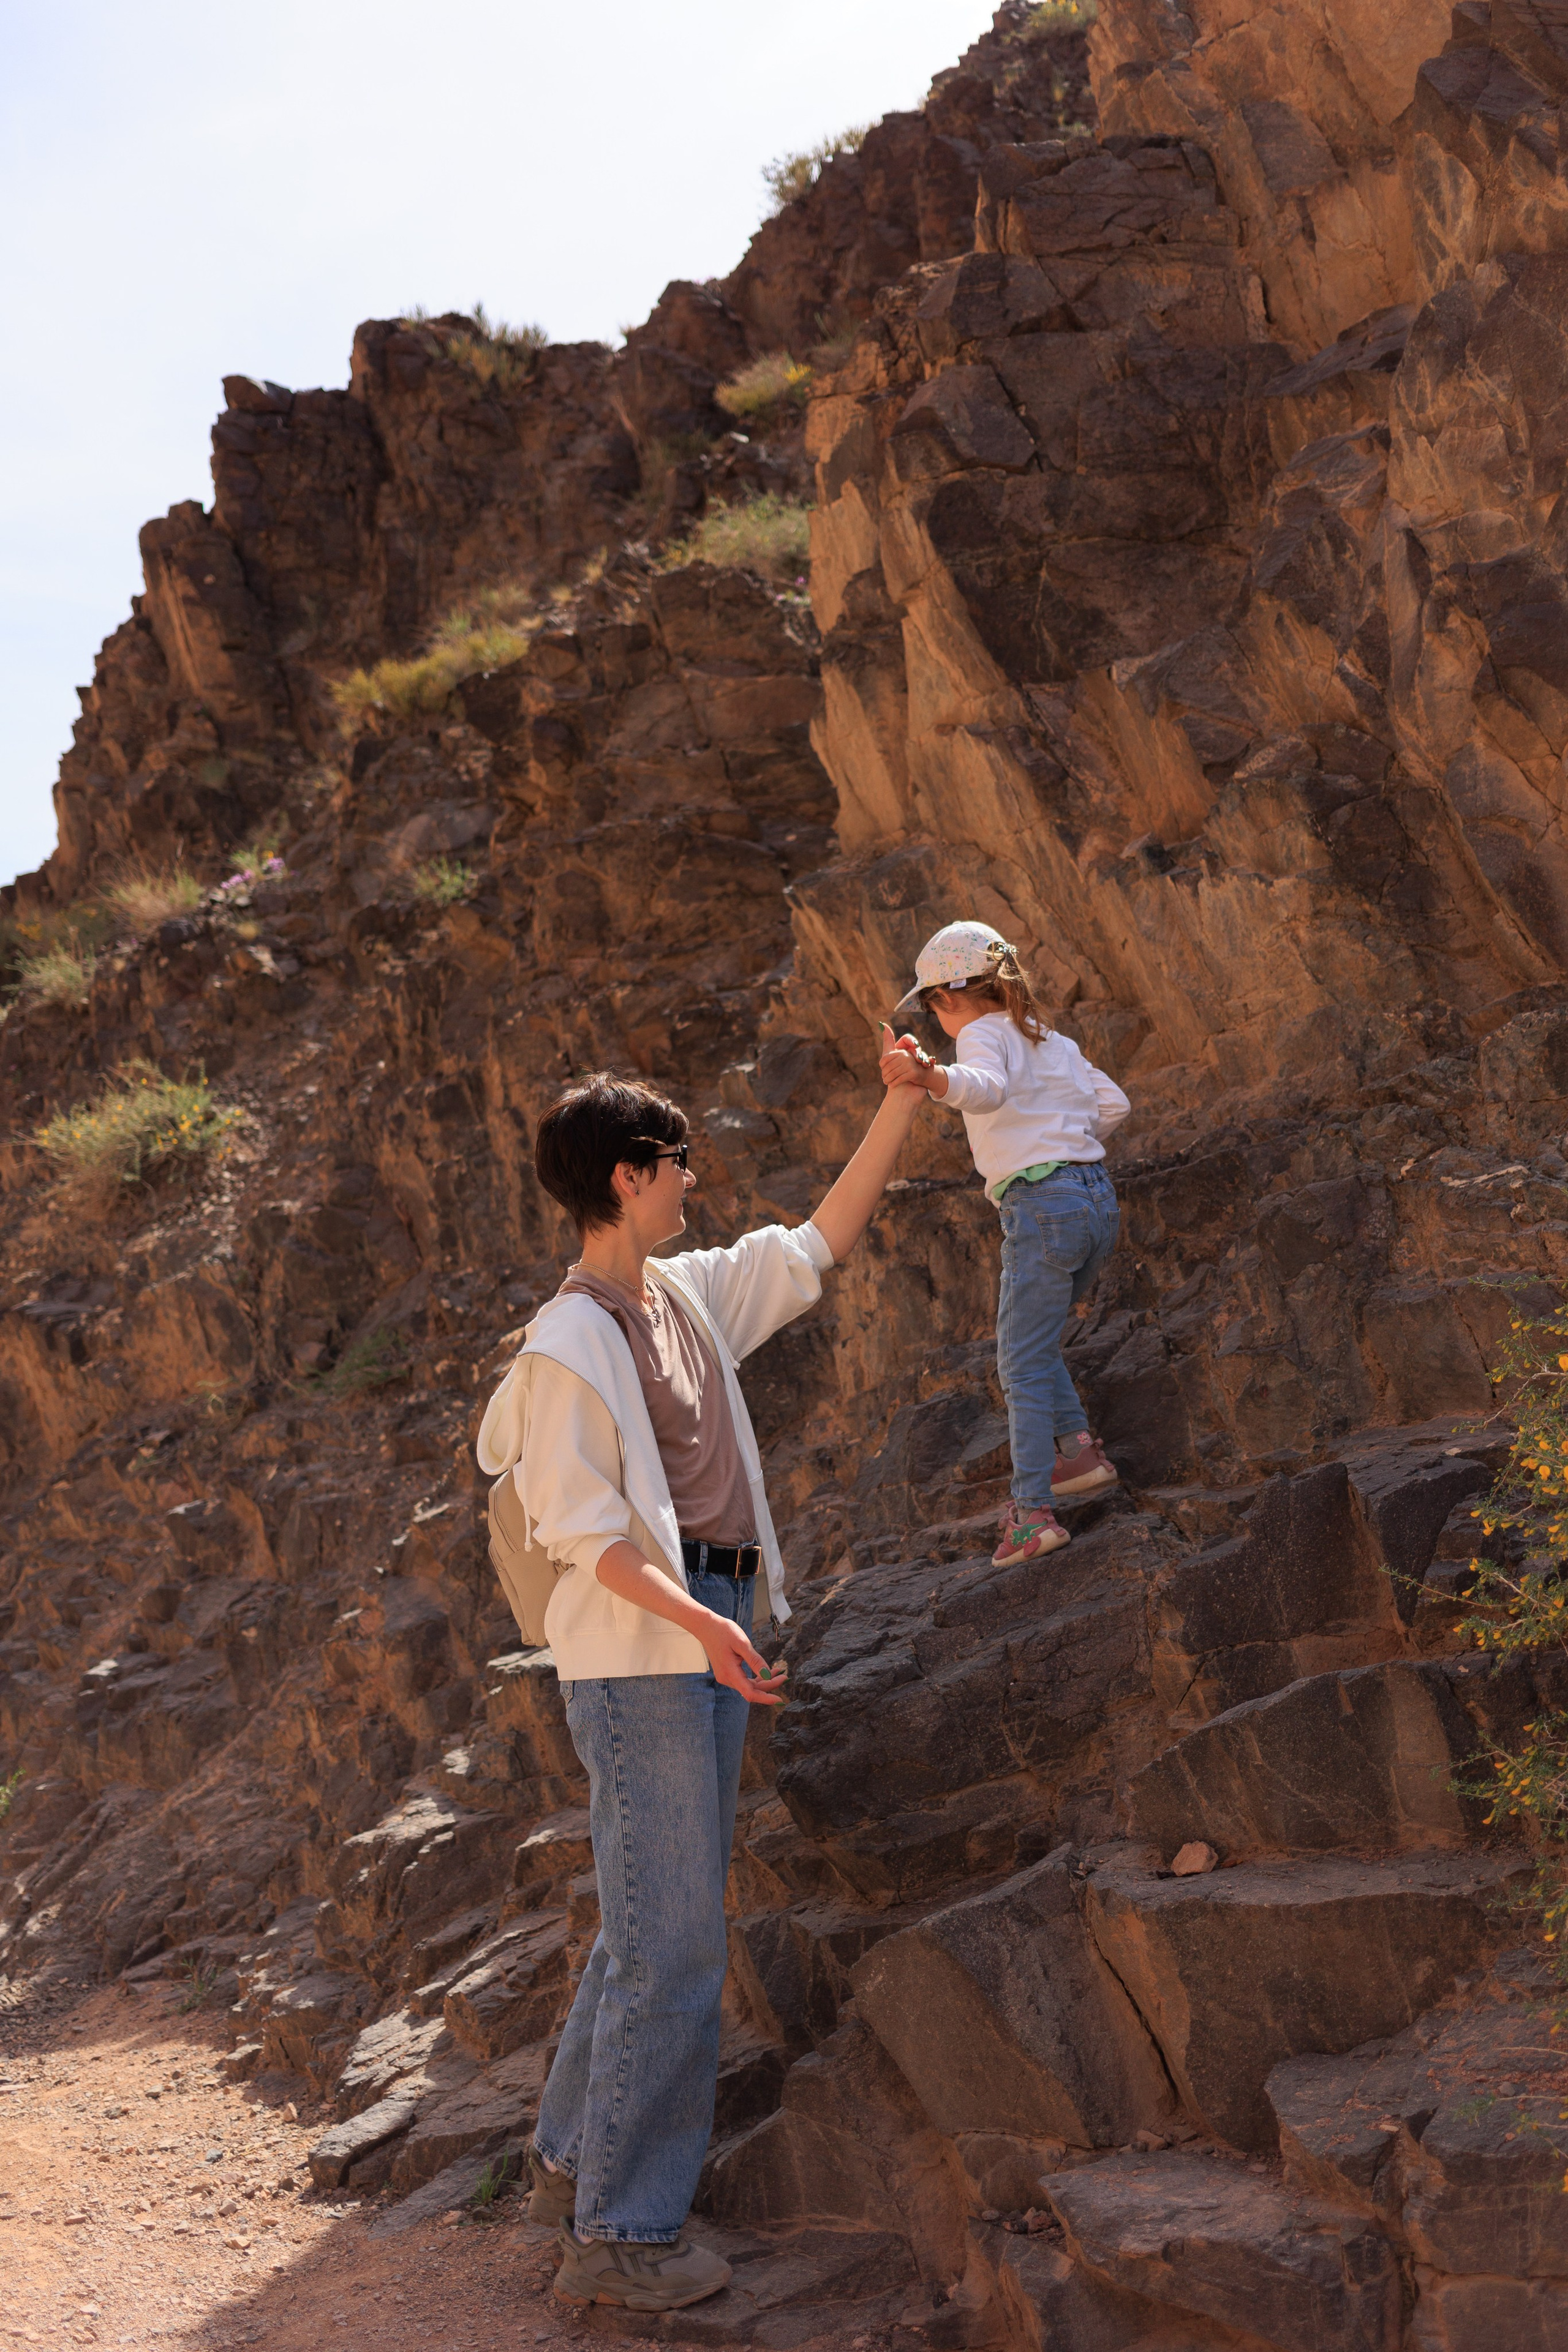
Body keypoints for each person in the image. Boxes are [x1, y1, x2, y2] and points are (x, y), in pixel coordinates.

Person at [476, 1069, 923, 2312]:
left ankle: (572, 2167)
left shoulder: (677, 1296)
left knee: (647, 1923)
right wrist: (701, 1629)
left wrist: (896, 1103)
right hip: (643, 1652)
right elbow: (586, 1538)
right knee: (674, 1948)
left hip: (709, 1626)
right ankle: (622, 2240)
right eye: (676, 1160)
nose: (692, 1178)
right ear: (627, 1176)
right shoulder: (564, 1347)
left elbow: (814, 1243)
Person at [878, 920, 1129, 1569]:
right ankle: (1076, 1453)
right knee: (1035, 1343)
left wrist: (933, 1077)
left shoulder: (983, 1035)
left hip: (1041, 1204)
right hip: (1095, 1201)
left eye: (933, 1006)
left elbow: (983, 1089)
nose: (937, 1018)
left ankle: (1030, 1515)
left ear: (951, 998)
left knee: (1016, 1362)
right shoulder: (1053, 1040)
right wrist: (1065, 1136)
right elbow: (1115, 1105)